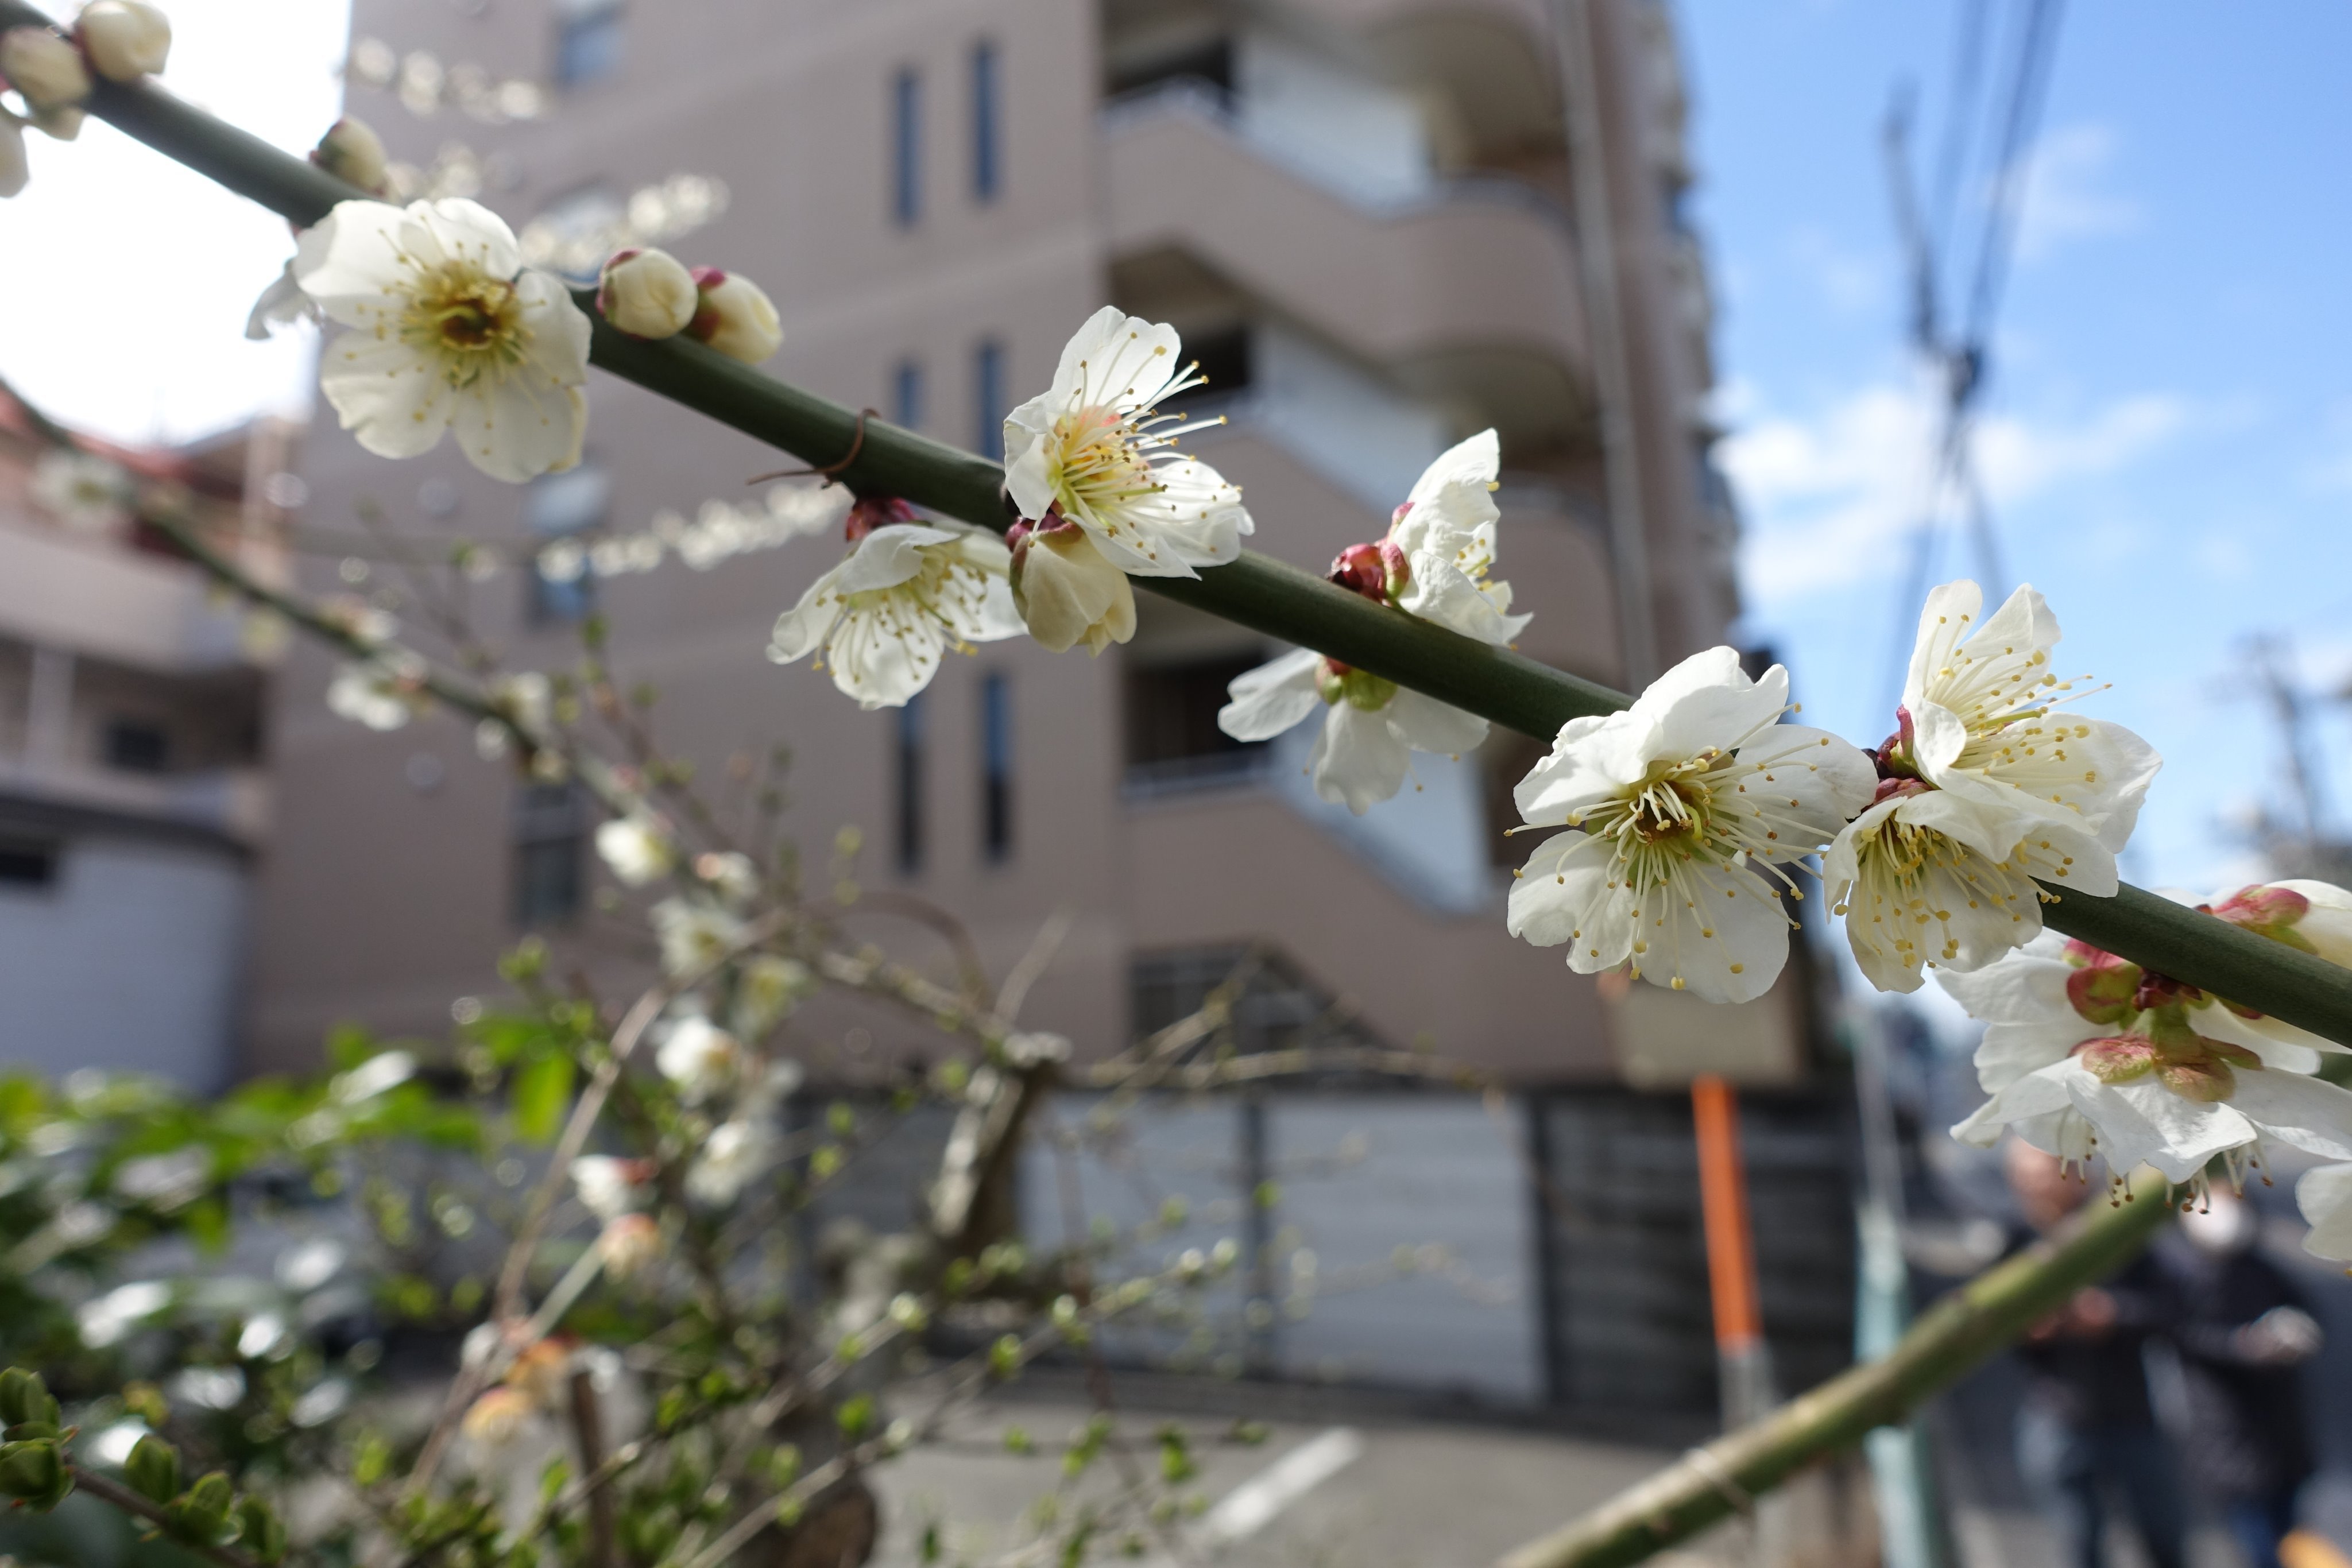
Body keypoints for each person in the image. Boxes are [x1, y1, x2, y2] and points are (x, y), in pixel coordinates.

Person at [2005, 1139, 2189, 1568]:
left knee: (2163, 1536)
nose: (2038, 1185)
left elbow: (2170, 1307)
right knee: (2078, 1540)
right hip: (2057, 1413)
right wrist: (2030, 1329)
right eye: (2027, 1176)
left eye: (2047, 1171)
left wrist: (2112, 1316)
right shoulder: (2014, 1237)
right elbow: (1986, 1324)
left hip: (2131, 1414)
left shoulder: (2116, 1224)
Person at [2156, 1187, 2323, 1568]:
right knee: (2259, 1540)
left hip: (2281, 1432)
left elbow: (2307, 1310)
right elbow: (2184, 1334)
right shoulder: (2179, 1270)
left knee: (2288, 1532)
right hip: (2226, 1432)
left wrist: (2295, 1332)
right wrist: (2244, 1346)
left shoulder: (2261, 1267)